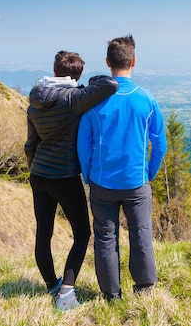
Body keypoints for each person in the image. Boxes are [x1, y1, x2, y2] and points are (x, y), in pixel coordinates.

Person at [24, 50, 118, 311]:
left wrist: (36, 169)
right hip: (63, 176)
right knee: (82, 234)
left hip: (38, 175)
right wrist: (83, 84)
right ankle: (66, 292)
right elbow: (109, 84)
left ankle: (51, 284)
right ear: (75, 76)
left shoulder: (35, 98)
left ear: (54, 71)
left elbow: (31, 143)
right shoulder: (73, 98)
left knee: (44, 233)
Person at [77, 34, 167, 300]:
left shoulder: (95, 100)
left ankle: (111, 295)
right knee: (141, 235)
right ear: (134, 61)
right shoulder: (146, 99)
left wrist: (87, 174)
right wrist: (148, 173)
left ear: (108, 62)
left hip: (102, 183)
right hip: (136, 182)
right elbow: (159, 145)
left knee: (105, 239)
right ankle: (144, 289)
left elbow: (84, 144)